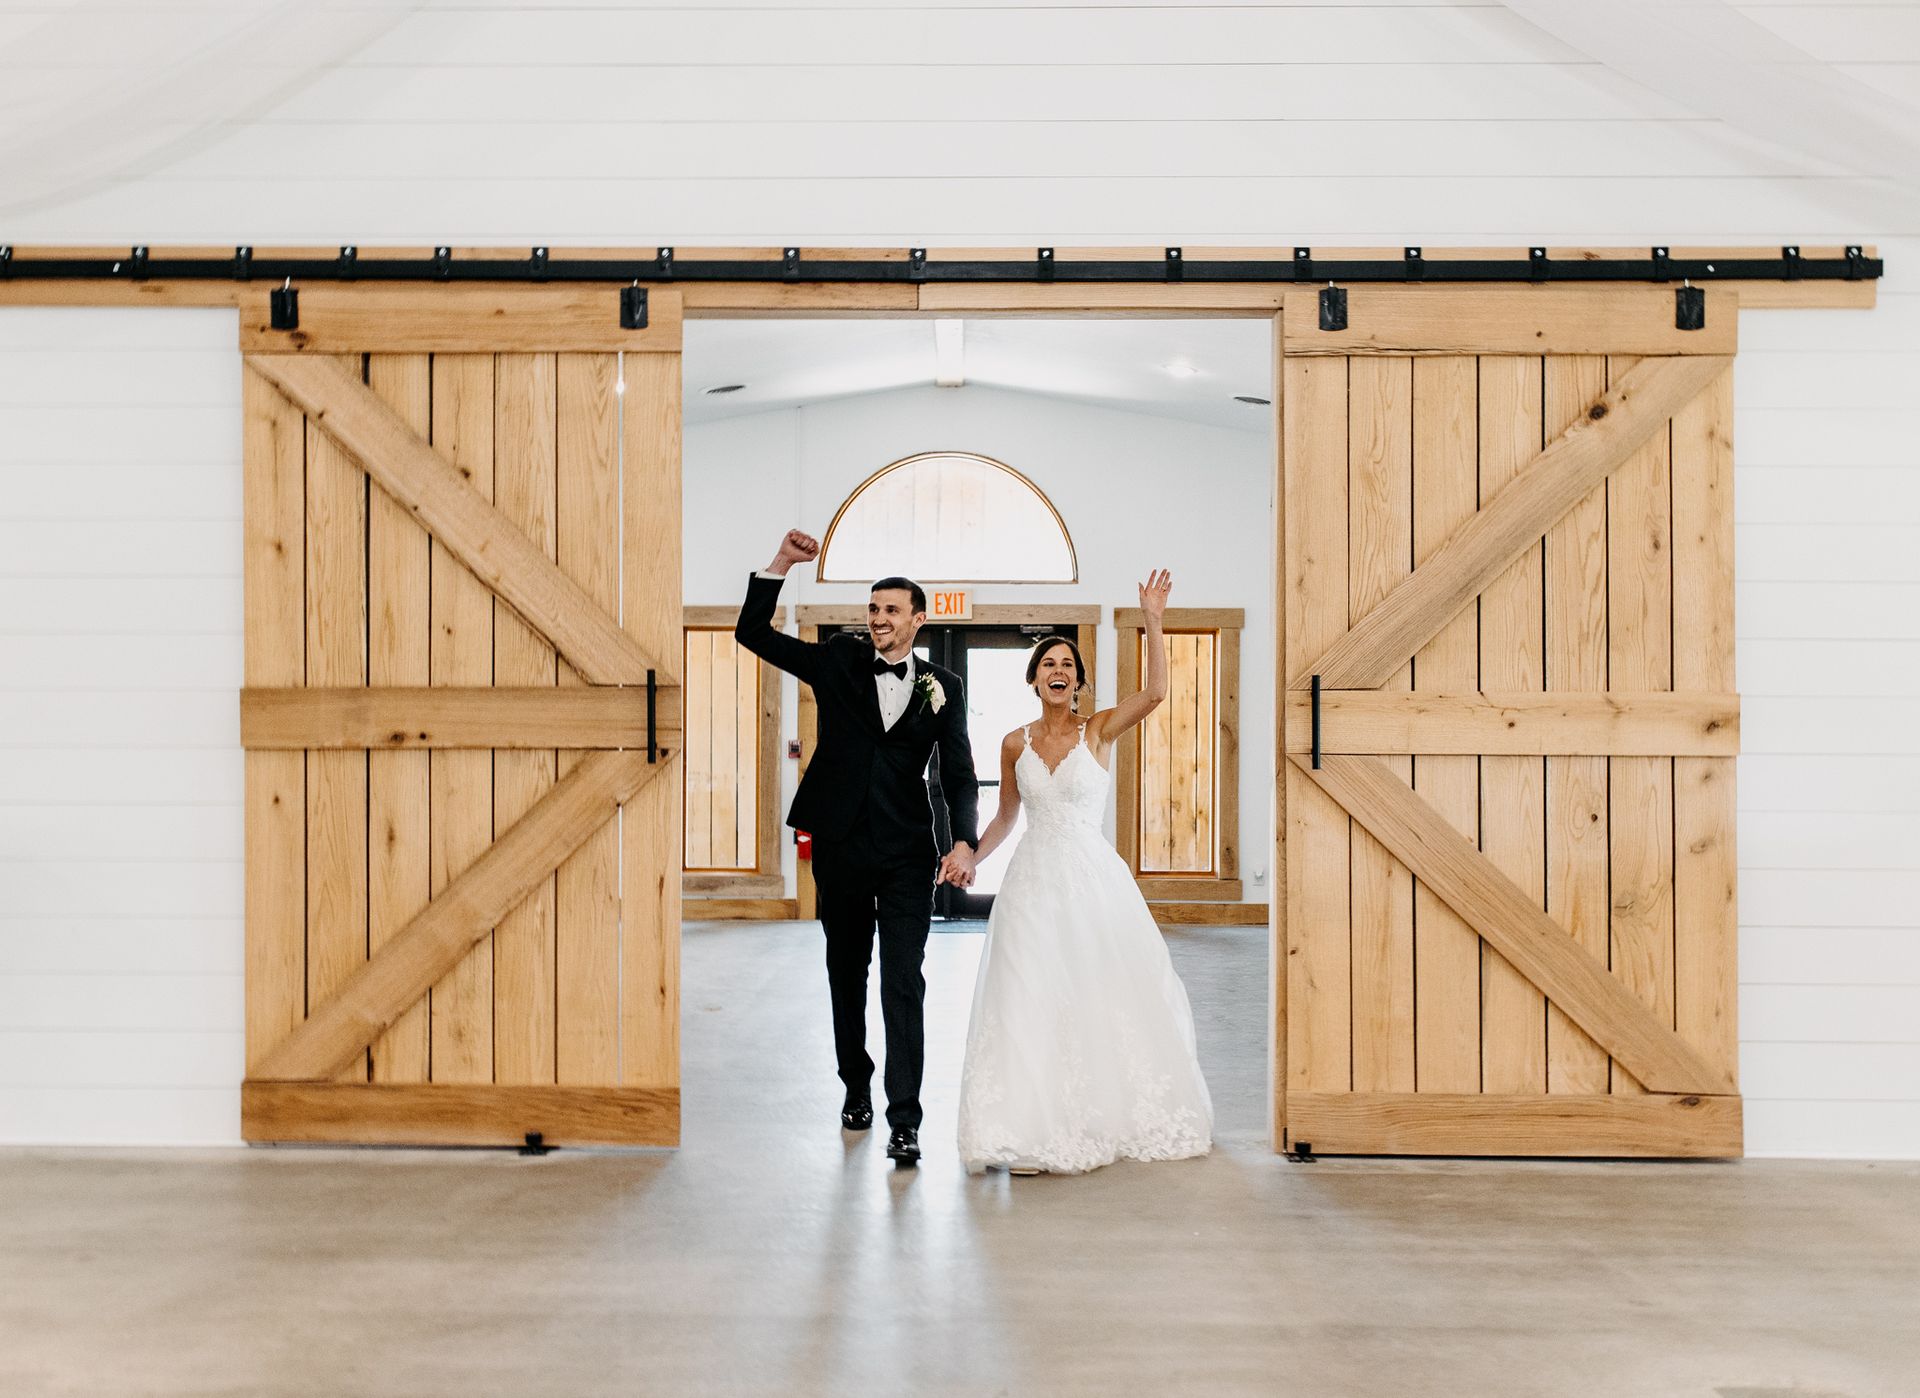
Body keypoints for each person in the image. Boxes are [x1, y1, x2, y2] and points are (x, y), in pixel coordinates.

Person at [735, 529, 981, 1167]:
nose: (878, 620)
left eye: (891, 610)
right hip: (841, 846)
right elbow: (754, 635)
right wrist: (781, 564)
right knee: (847, 975)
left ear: (917, 620)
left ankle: (906, 1119)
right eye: (872, 609)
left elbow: (957, 773)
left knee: (904, 983)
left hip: (906, 853)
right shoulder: (839, 660)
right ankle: (854, 1085)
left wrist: (963, 840)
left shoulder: (944, 685)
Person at [955, 569, 1213, 1175]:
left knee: (1094, 993)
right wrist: (971, 855)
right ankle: (1024, 1126)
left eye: (1067, 662)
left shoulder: (1096, 730)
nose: (1058, 669)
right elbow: (1005, 818)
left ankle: (1091, 1113)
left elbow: (1153, 696)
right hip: (1030, 884)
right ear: (1034, 677)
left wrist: (1152, 618)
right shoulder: (1013, 744)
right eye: (1048, 662)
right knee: (1026, 996)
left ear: (1077, 680)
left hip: (1092, 882)